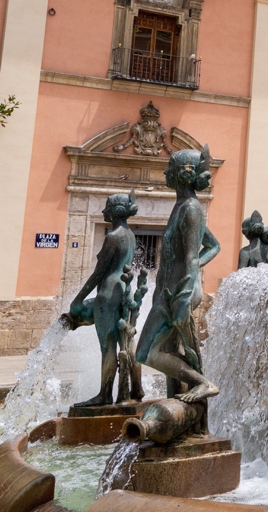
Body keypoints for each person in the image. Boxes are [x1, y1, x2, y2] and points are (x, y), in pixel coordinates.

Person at [137, 146, 222, 402]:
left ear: (182, 174)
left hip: (179, 292)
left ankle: (203, 383)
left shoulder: (191, 209)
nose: (165, 173)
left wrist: (185, 296)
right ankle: (177, 402)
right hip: (171, 290)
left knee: (146, 352)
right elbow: (214, 245)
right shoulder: (183, 206)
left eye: (170, 169)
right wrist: (193, 269)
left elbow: (191, 257)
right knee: (166, 349)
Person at [66, 191, 138, 407]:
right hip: (124, 290)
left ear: (116, 210)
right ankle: (130, 391)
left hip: (108, 293)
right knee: (125, 343)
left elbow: (98, 273)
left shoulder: (113, 236)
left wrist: (78, 299)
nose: (104, 211)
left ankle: (104, 395)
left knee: (108, 347)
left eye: (107, 207)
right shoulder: (131, 235)